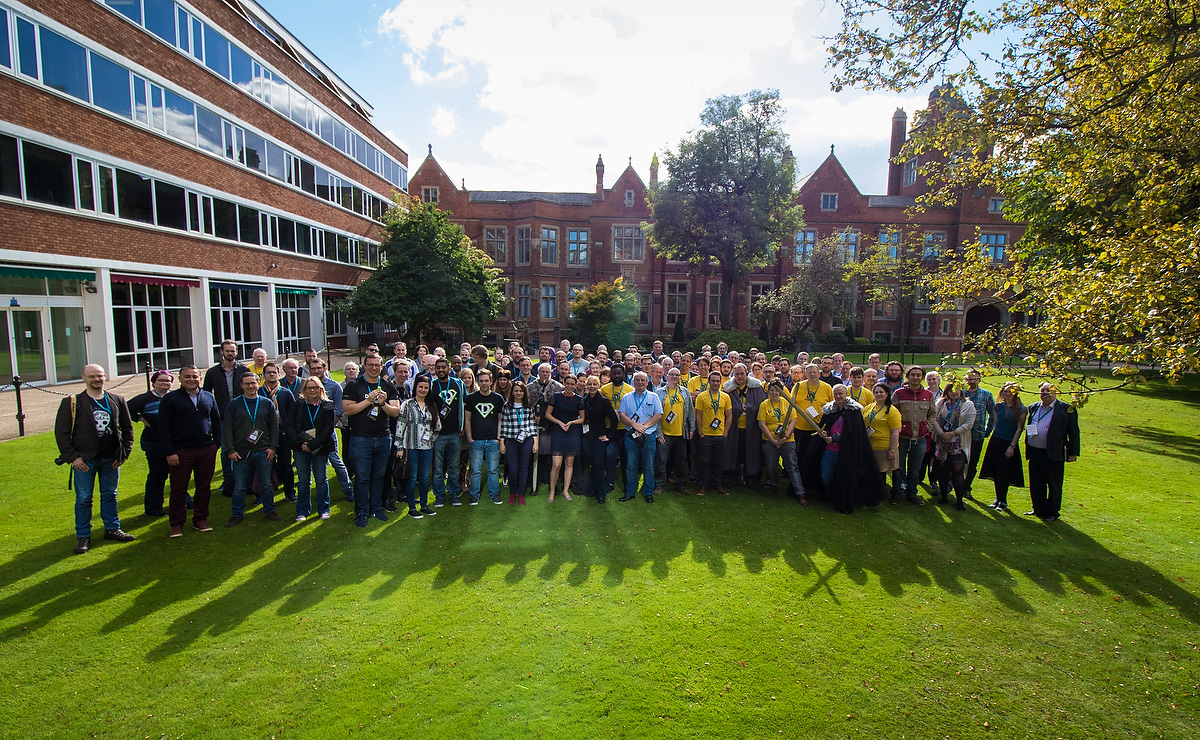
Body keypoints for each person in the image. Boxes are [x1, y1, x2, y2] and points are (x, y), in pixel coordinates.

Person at [55, 364, 136, 554]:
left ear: (105, 377)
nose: (96, 379)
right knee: (83, 499)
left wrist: (123, 453)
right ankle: (83, 536)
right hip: (84, 461)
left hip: (110, 459)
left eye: (99, 376)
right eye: (91, 376)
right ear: (83, 378)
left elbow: (127, 429)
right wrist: (73, 458)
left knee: (110, 495)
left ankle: (112, 529)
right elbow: (62, 433)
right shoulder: (73, 402)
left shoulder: (117, 400)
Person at [158, 365, 222, 537]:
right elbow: (163, 427)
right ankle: (177, 524)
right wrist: (169, 451)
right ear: (179, 378)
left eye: (194, 376)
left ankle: (200, 519)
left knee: (203, 487)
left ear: (200, 378)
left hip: (205, 449)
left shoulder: (208, 396)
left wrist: (216, 443)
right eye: (187, 377)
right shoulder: (170, 399)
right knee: (179, 489)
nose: (191, 380)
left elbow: (216, 421)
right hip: (180, 452)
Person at [342, 354, 401, 527]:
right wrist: (368, 400)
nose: (374, 368)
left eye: (377, 365)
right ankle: (361, 511)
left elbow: (395, 412)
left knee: (379, 476)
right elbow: (347, 410)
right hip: (361, 438)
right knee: (361, 477)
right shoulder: (354, 385)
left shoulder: (388, 385)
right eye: (370, 365)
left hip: (383, 437)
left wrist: (383, 404)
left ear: (381, 366)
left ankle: (376, 508)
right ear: (364, 366)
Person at [221, 372, 280, 527]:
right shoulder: (234, 404)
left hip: (263, 451)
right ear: (241, 386)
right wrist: (230, 450)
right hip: (241, 452)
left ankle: (270, 510)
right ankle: (236, 514)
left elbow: (274, 428)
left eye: (253, 383)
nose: (250, 386)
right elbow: (227, 429)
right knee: (239, 486)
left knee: (266, 484)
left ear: (257, 383)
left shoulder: (266, 403)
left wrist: (273, 447)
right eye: (246, 383)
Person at [815, 384, 882, 514]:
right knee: (826, 475)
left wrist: (835, 439)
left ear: (846, 394)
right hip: (830, 450)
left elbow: (854, 432)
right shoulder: (830, 409)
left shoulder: (854, 411)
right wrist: (824, 433)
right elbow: (825, 425)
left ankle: (841, 498)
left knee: (844, 476)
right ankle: (830, 493)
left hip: (847, 451)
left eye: (840, 393)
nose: (838, 396)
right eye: (835, 394)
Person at [1024, 383, 1080, 522]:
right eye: (1042, 391)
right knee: (1036, 483)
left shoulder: (1066, 409)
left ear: (1056, 393)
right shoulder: (1034, 407)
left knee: (1053, 484)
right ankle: (1038, 508)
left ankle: (1052, 512)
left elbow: (1073, 432)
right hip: (1035, 451)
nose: (1045, 393)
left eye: (1049, 391)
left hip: (1053, 453)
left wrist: (1073, 452)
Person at [203, 340, 252, 496]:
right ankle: (228, 480)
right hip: (222, 416)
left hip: (242, 416)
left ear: (236, 352)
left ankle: (245, 480)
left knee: (246, 446)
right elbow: (206, 393)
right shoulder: (212, 372)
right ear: (221, 352)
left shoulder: (243, 370)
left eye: (233, 351)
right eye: (227, 351)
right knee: (226, 449)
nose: (230, 353)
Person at [127, 370, 174, 517]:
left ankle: (184, 502)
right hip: (154, 442)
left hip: (174, 441)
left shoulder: (174, 397)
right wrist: (140, 419)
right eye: (161, 380)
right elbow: (124, 409)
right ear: (153, 382)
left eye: (167, 380)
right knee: (157, 475)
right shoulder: (144, 398)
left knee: (178, 474)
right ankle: (153, 508)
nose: (164, 383)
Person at [289, 376, 336, 521]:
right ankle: (302, 510)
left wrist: (312, 445)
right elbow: (290, 426)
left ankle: (323, 509)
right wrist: (300, 445)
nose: (312, 390)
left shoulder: (327, 406)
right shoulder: (298, 405)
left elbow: (328, 430)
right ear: (305, 390)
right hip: (300, 448)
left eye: (315, 387)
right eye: (309, 388)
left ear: (320, 389)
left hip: (320, 448)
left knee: (321, 479)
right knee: (303, 480)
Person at [307, 357, 353, 501]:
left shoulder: (334, 386)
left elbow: (339, 411)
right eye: (313, 368)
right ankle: (308, 493)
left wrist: (326, 429)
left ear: (325, 369)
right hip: (309, 432)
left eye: (319, 368)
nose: (316, 371)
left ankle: (347, 488)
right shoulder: (307, 385)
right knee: (309, 462)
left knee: (335, 460)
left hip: (328, 432)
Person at [617, 371, 664, 503]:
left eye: (643, 380)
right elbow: (622, 414)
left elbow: (658, 414)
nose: (640, 382)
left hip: (648, 436)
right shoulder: (626, 397)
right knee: (631, 465)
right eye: (637, 380)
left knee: (648, 466)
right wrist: (634, 425)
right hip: (631, 436)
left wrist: (644, 426)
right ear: (634, 382)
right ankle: (630, 492)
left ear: (647, 382)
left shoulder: (653, 397)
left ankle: (648, 492)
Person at [396, 375, 439, 519]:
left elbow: (437, 427)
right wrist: (399, 447)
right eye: (420, 387)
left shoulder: (431, 406)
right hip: (411, 447)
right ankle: (412, 508)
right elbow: (400, 426)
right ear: (415, 387)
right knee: (412, 477)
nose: (423, 390)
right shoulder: (407, 405)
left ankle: (425, 505)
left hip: (427, 448)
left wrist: (431, 441)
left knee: (425, 477)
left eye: (426, 387)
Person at [892, 365, 936, 505]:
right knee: (898, 468)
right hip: (902, 438)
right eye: (913, 375)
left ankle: (912, 493)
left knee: (915, 469)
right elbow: (893, 414)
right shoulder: (899, 394)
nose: (915, 377)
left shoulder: (928, 396)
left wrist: (926, 428)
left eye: (918, 375)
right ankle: (896, 493)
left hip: (920, 438)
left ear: (922, 377)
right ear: (907, 376)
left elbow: (932, 414)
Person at [979, 382, 1026, 512]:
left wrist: (1012, 445)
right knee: (995, 470)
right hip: (996, 441)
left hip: (1009, 442)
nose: (1008, 393)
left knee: (1005, 472)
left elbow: (1019, 428)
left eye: (1010, 391)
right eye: (1005, 391)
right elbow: (996, 424)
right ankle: (997, 498)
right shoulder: (997, 407)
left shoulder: (1021, 409)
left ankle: (1003, 500)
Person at [932, 383, 978, 510]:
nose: (954, 393)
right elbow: (933, 418)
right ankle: (944, 496)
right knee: (942, 469)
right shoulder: (940, 403)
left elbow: (969, 424)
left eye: (957, 390)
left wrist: (953, 433)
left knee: (957, 471)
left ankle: (959, 500)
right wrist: (941, 433)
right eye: (951, 390)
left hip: (958, 442)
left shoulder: (968, 405)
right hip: (942, 441)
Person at [757, 380, 804, 503]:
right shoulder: (764, 405)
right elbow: (762, 424)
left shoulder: (788, 403)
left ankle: (800, 492)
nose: (774, 393)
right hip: (769, 440)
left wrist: (786, 437)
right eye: (771, 390)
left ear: (781, 391)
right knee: (771, 465)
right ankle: (774, 484)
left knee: (792, 465)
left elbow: (793, 421)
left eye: (776, 390)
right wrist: (773, 440)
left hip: (787, 440)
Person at [791, 363, 834, 494]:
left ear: (819, 373)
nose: (812, 374)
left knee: (817, 458)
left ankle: (816, 484)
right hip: (801, 429)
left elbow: (832, 407)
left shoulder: (826, 388)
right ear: (805, 374)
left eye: (815, 372)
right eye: (809, 372)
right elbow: (791, 406)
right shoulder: (798, 386)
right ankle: (802, 483)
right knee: (801, 457)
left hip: (819, 430)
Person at [722, 364, 766, 489]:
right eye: (737, 374)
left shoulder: (756, 388)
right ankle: (734, 478)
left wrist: (750, 409)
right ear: (733, 374)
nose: (740, 376)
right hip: (734, 428)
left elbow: (761, 406)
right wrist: (737, 409)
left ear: (747, 373)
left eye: (742, 374)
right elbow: (724, 407)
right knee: (734, 452)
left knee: (751, 453)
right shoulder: (728, 389)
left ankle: (751, 479)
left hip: (752, 428)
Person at [465, 368, 505, 504]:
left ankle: (494, 494)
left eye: (486, 381)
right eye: (481, 381)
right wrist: (470, 438)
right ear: (478, 381)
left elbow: (500, 419)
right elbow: (467, 420)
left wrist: (498, 438)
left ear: (491, 381)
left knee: (493, 470)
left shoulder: (498, 398)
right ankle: (474, 494)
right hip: (475, 440)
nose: (484, 383)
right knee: (475, 470)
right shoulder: (470, 398)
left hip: (493, 440)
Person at [430, 357, 466, 507]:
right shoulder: (432, 386)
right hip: (438, 434)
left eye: (443, 367)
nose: (441, 370)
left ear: (449, 368)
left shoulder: (458, 384)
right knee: (438, 468)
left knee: (454, 466)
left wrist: (462, 425)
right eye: (438, 368)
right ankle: (439, 495)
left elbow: (464, 405)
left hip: (455, 433)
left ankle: (453, 493)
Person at [655, 367, 694, 495]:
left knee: (681, 462)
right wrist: (659, 433)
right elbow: (656, 414)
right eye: (672, 375)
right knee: (661, 461)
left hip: (681, 434)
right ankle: (659, 485)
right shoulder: (660, 392)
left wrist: (692, 428)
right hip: (665, 435)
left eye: (677, 375)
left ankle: (680, 485)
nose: (675, 377)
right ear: (667, 376)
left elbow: (690, 413)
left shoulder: (685, 392)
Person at [260, 362, 296, 503]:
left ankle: (290, 492)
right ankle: (262, 494)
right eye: (268, 372)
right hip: (264, 436)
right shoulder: (258, 393)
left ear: (278, 374)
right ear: (263, 375)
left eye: (274, 372)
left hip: (282, 434)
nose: (271, 375)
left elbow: (293, 415)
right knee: (264, 466)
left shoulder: (285, 393)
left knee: (286, 465)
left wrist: (288, 431)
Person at [545, 375, 585, 502]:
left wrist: (572, 422)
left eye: (572, 384)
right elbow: (547, 414)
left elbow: (582, 418)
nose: (570, 386)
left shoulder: (579, 399)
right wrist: (559, 423)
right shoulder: (556, 396)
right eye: (567, 383)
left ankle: (565, 491)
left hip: (572, 433)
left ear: (576, 385)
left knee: (569, 463)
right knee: (556, 464)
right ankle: (552, 491)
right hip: (558, 431)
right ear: (563, 383)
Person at [694, 370, 733, 496]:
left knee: (719, 461)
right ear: (709, 382)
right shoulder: (702, 396)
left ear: (720, 382)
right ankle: (703, 485)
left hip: (721, 435)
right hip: (706, 435)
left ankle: (717, 485)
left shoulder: (725, 397)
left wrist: (726, 432)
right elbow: (698, 416)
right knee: (705, 461)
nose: (715, 383)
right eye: (713, 381)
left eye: (717, 381)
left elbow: (729, 415)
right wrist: (700, 432)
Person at [500, 381, 539, 505]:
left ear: (524, 392)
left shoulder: (528, 406)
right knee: (512, 469)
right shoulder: (507, 406)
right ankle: (512, 493)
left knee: (524, 468)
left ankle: (521, 494)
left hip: (526, 441)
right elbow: (504, 425)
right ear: (512, 392)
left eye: (521, 391)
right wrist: (502, 442)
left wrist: (535, 441)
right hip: (511, 441)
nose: (518, 393)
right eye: (516, 391)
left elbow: (532, 424)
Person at [581, 376, 618, 502]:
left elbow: (614, 419)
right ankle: (592, 489)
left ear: (598, 386)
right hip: (586, 437)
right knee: (591, 463)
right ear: (586, 385)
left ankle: (601, 493)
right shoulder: (584, 400)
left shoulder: (604, 401)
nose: (592, 386)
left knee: (598, 464)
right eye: (589, 384)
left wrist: (609, 436)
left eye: (594, 384)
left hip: (599, 437)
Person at [862, 383, 902, 490]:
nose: (878, 394)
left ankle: (882, 493)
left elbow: (895, 432)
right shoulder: (869, 407)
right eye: (876, 392)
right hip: (870, 446)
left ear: (887, 394)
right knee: (871, 472)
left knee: (881, 472)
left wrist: (892, 450)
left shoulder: (892, 411)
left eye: (881, 392)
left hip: (883, 447)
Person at [963, 370, 997, 494]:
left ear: (979, 379)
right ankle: (954, 485)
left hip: (977, 434)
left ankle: (966, 488)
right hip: (960, 434)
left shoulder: (986, 394)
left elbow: (992, 412)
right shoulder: (960, 393)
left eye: (974, 379)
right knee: (958, 461)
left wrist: (988, 430)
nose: (971, 381)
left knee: (972, 463)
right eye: (969, 379)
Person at [599, 365, 631, 491]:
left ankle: (626, 483)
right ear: (610, 375)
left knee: (625, 457)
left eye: (619, 373)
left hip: (625, 429)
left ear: (623, 374)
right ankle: (610, 482)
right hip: (610, 429)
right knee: (610, 455)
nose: (617, 376)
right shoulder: (604, 390)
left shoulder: (630, 390)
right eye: (614, 374)